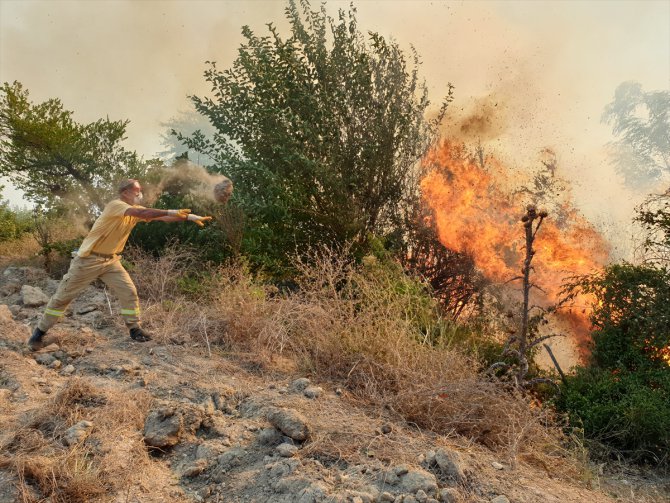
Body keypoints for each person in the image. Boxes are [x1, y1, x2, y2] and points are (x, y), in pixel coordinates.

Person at [27, 178, 212, 350]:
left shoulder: (134, 211)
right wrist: (171, 211)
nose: (140, 194)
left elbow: (160, 217)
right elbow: (144, 212)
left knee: (129, 291)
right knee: (62, 297)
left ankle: (135, 329)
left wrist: (190, 217)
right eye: (137, 191)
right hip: (88, 260)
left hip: (111, 260)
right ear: (125, 192)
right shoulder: (116, 205)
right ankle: (38, 333)